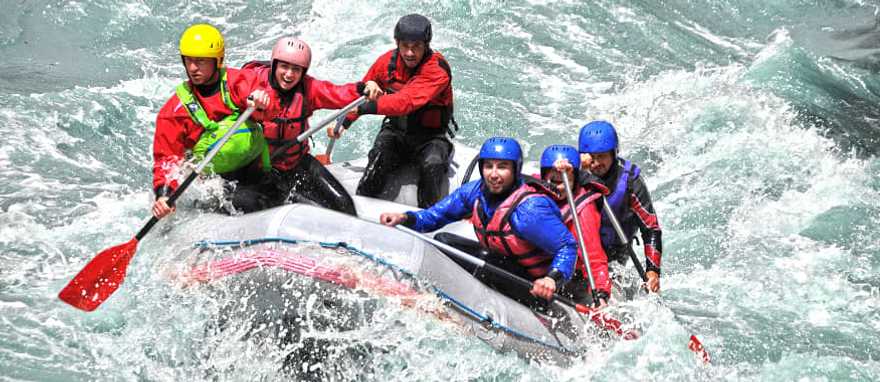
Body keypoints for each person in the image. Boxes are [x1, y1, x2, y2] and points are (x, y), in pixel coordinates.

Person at [379, 137, 579, 304]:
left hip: (533, 286)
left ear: (516, 170)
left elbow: (568, 246)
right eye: (488, 166)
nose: (493, 174)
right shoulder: (475, 191)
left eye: (502, 167)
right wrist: (404, 218)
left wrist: (552, 279)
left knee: (482, 262)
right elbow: (434, 216)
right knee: (444, 241)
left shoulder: (529, 210)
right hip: (502, 264)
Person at [238, 37, 383, 215]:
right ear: (274, 65)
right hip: (258, 170)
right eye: (284, 66)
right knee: (256, 207)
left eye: (296, 69)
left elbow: (336, 93)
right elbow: (226, 95)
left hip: (296, 163)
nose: (289, 74)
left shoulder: (308, 89)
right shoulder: (252, 82)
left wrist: (362, 88)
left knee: (345, 206)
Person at [327, 13, 455, 208]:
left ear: (426, 45)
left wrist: (365, 109)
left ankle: (428, 219)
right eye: (405, 46)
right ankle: (359, 211)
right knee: (378, 158)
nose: (410, 53)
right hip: (396, 132)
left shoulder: (437, 70)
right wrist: (344, 121)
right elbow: (363, 93)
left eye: (417, 47)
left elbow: (405, 102)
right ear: (397, 43)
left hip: (430, 138)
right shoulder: (386, 63)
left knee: (433, 164)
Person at [151, 24, 265, 219]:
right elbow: (166, 160)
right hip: (217, 186)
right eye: (189, 61)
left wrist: (263, 101)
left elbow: (268, 105)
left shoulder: (239, 82)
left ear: (217, 61)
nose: (193, 68)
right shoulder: (174, 112)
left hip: (254, 168)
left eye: (201, 61)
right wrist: (164, 195)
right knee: (253, 202)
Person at [578, 120, 663, 293]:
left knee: (611, 290)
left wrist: (653, 271)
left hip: (614, 256)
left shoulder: (631, 182)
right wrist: (577, 169)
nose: (595, 163)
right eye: (591, 157)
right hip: (581, 251)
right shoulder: (573, 175)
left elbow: (650, 229)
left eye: (601, 156)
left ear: (614, 153)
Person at [538, 145, 611, 306]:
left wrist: (601, 294)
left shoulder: (583, 211)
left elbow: (594, 257)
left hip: (571, 277)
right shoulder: (533, 191)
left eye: (565, 181)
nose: (558, 187)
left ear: (575, 182)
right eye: (554, 181)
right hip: (538, 265)